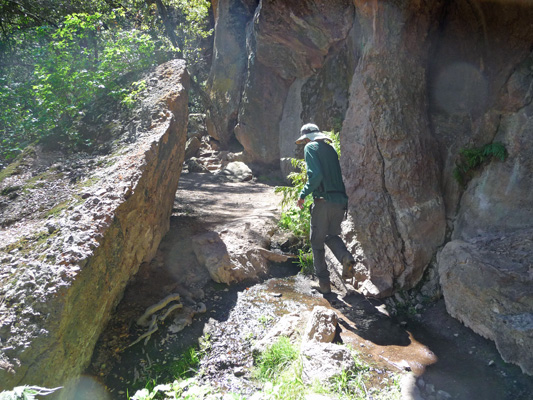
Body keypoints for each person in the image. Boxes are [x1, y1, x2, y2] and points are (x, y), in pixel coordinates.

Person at [295, 123, 355, 294]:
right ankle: (346, 257)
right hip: (340, 202)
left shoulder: (310, 147)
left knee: (316, 242)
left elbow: (317, 175)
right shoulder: (330, 149)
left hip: (323, 202)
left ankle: (324, 285)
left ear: (307, 137)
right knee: (331, 235)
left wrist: (303, 194)